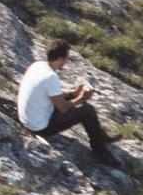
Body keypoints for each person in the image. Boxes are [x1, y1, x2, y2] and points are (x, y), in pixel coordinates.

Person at [17, 37, 115, 165]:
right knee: (88, 110)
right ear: (60, 59)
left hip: (26, 118)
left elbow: (53, 93)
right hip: (40, 127)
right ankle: (100, 152)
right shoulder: (51, 77)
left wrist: (73, 92)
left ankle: (101, 137)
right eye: (66, 58)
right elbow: (62, 108)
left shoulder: (38, 65)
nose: (66, 62)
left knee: (79, 103)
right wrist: (82, 98)